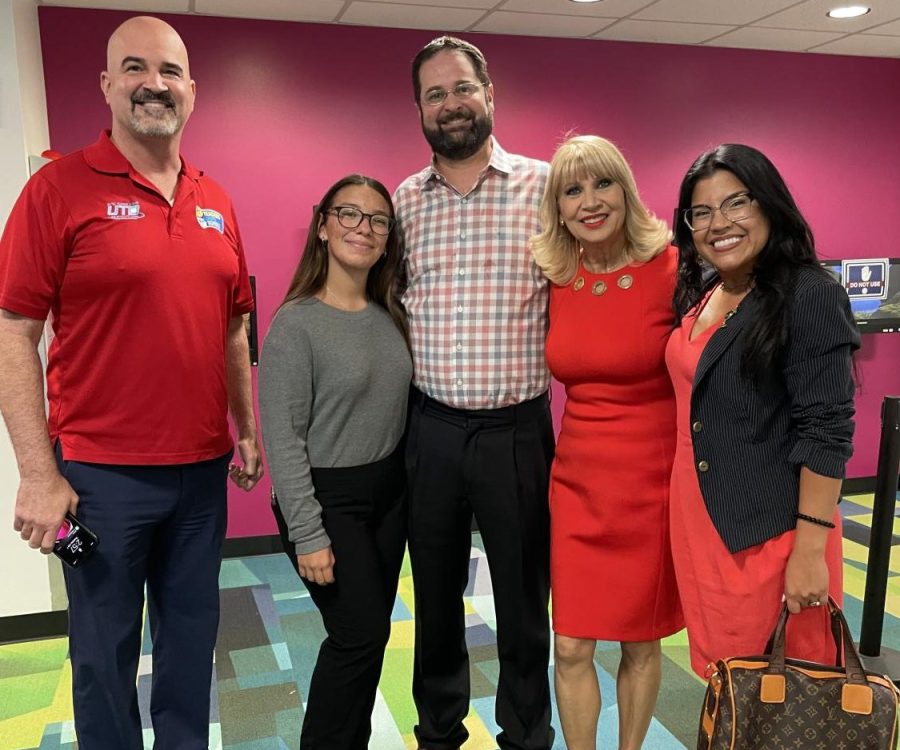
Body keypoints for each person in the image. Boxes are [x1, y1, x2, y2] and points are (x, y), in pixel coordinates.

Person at [0, 15, 263, 749]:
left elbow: (233, 327)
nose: (156, 84)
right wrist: (36, 475)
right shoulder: (57, 190)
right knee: (102, 652)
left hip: (201, 477)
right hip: (97, 483)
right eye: (137, 69)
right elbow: (12, 332)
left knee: (189, 646)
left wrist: (246, 429)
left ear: (193, 90)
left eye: (171, 71)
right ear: (108, 85)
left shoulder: (218, 199)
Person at [393, 35, 554, 750]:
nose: (450, 104)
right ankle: (437, 733)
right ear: (420, 110)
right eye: (435, 94)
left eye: (462, 89)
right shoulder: (402, 202)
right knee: (433, 598)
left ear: (490, 95)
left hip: (517, 432)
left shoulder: (547, 187)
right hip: (428, 430)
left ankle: (523, 734)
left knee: (523, 602)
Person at [666, 143, 859, 676]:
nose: (717, 223)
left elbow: (826, 431)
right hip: (702, 520)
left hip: (771, 533)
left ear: (770, 205)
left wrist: (809, 551)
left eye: (736, 203)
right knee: (725, 678)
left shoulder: (808, 293)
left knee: (782, 686)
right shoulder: (709, 291)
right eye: (700, 212)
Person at [530, 135, 683, 750]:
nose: (589, 202)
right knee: (569, 644)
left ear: (626, 190)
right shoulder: (554, 276)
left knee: (640, 639)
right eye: (573, 190)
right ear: (558, 207)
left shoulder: (672, 268)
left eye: (602, 184)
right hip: (576, 484)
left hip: (650, 483)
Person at [259, 174, 412, 749]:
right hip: (326, 500)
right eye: (349, 215)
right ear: (323, 227)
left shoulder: (389, 313)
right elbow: (284, 438)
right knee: (357, 634)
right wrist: (308, 532)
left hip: (388, 495)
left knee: (370, 638)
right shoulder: (295, 324)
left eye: (377, 220)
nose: (363, 229)